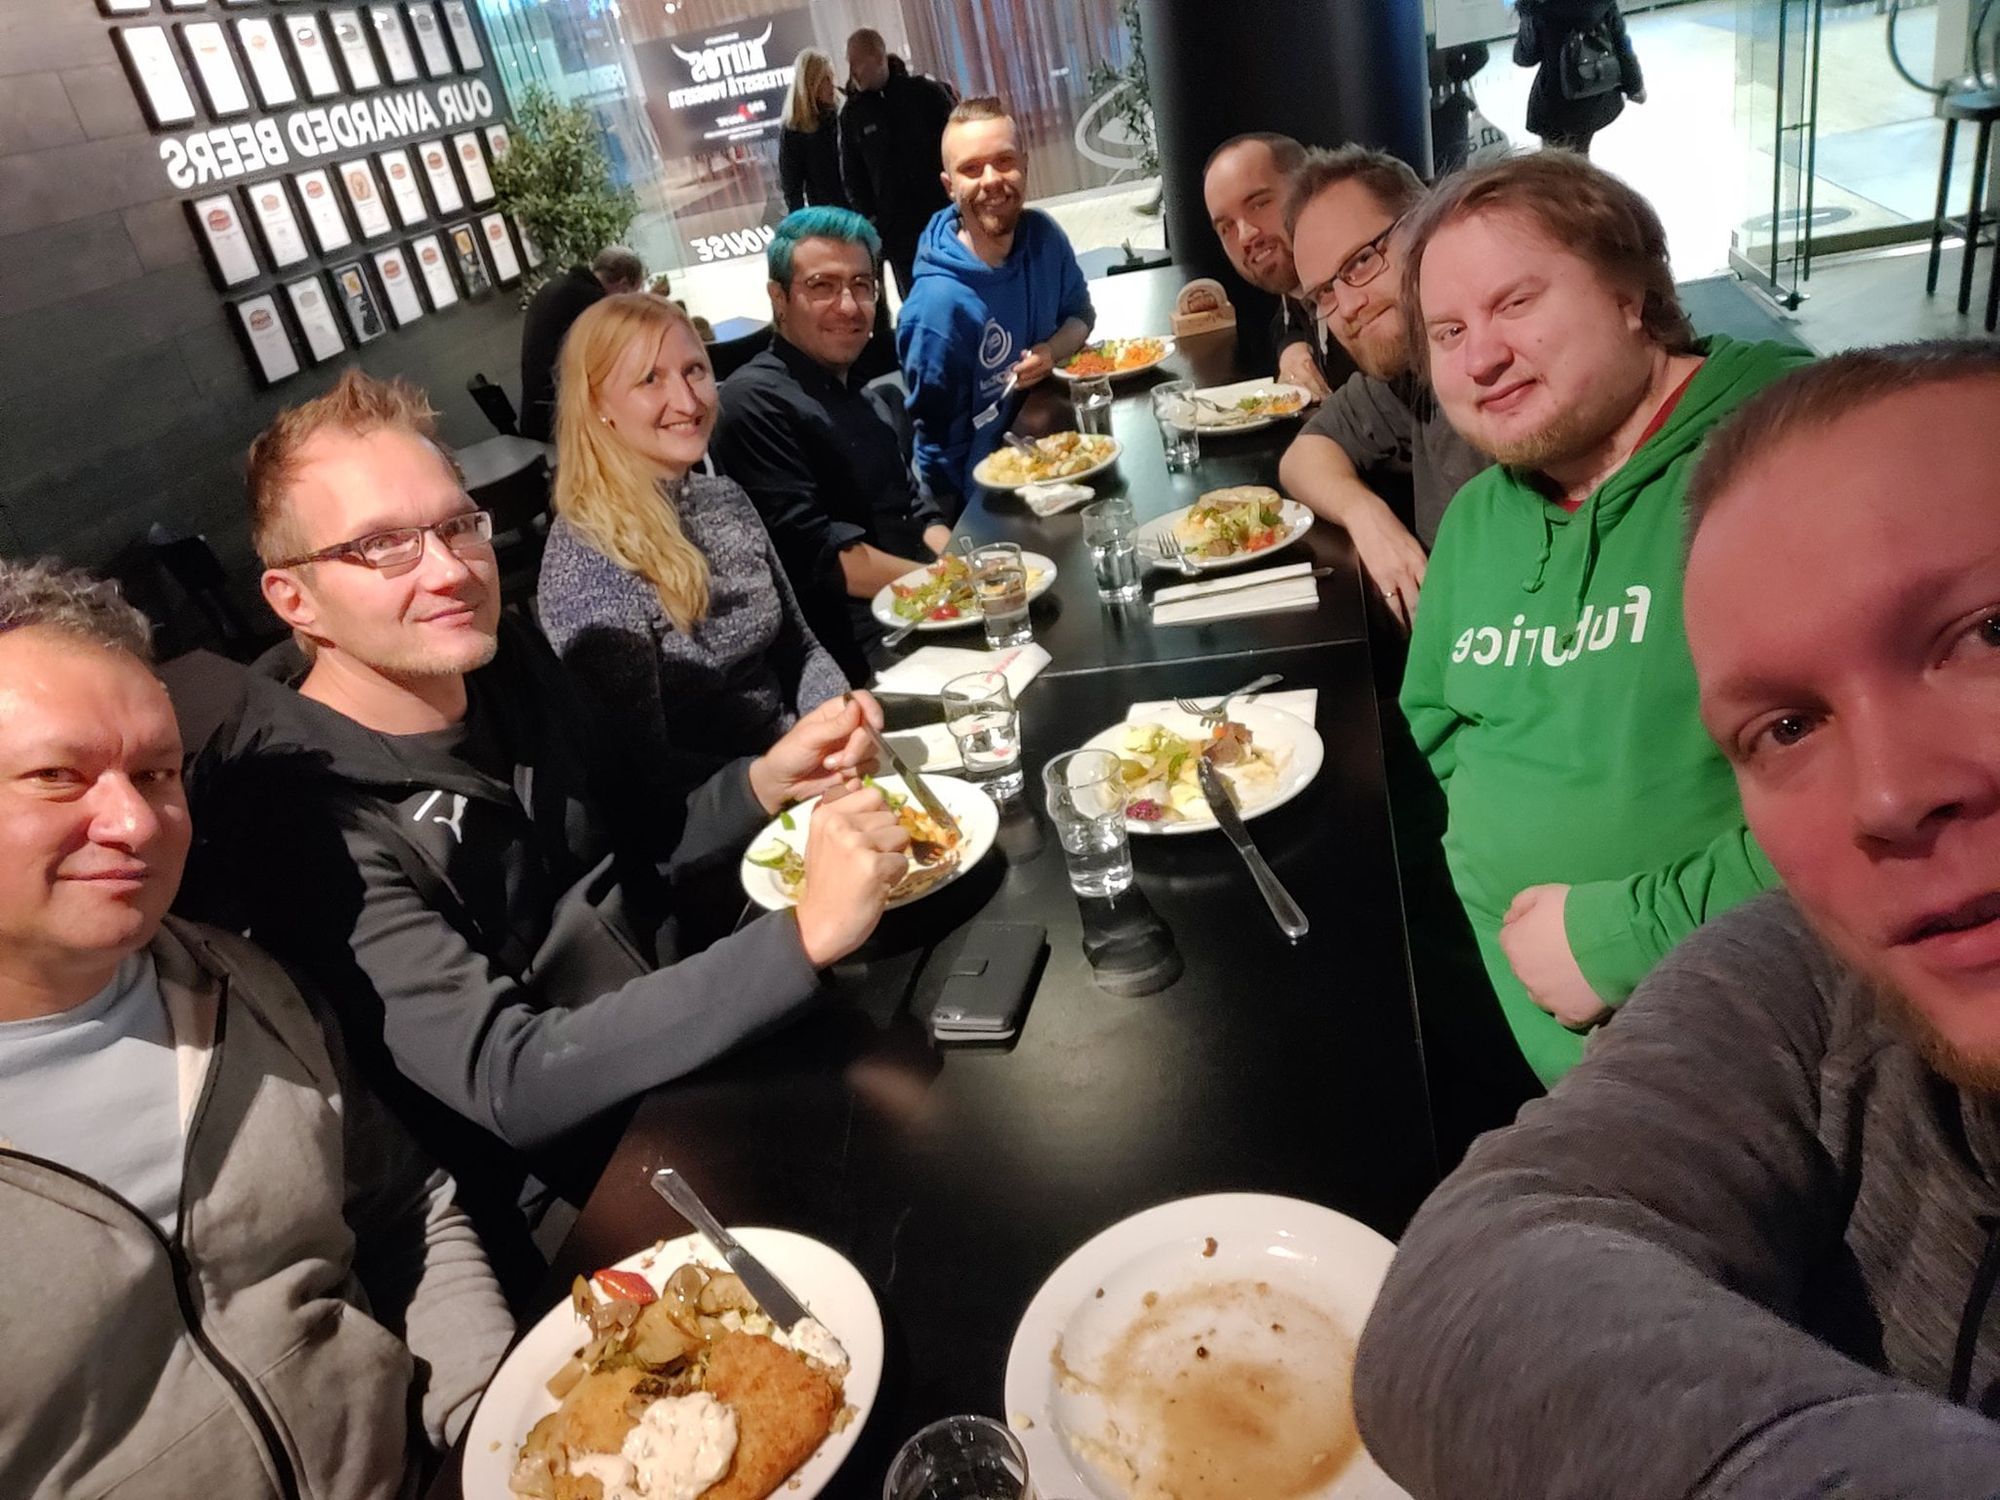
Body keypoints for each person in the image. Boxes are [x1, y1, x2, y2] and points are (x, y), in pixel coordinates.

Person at [1354, 342, 2000, 1498]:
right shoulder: (1813, 979)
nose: (1891, 795)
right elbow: (1462, 1289)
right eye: (1786, 728)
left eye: (1987, 635)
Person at [178, 368, 912, 1300]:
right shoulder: (301, 820)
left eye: (455, 525)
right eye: (383, 547)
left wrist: (763, 783)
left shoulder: (506, 658)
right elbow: (510, 1076)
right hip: (594, 1190)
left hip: (708, 1048)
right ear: (294, 600)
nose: (448, 570)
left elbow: (639, 844)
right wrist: (800, 939)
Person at [0, 559, 512, 1496]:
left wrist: (497, 1421)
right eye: (56, 777)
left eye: (157, 772)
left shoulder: (247, 988)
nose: (133, 821)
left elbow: (405, 1210)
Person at [1395, 150, 1810, 1086]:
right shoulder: (1479, 518)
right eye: (1448, 329)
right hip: (1586, 1080)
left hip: (1783, 1059)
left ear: (1631, 293)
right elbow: (1445, 730)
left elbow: (1919, 795)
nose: (1481, 357)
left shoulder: (1793, 455)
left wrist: (1625, 933)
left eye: (1515, 304)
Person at [537, 293, 849, 778]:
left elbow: (801, 650)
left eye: (694, 371)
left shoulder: (722, 497)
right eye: (649, 380)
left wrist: (839, 720)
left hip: (803, 766)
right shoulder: (590, 559)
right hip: (721, 816)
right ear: (598, 405)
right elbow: (640, 774)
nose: (686, 401)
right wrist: (778, 778)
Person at [716, 208, 953, 681]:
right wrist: (951, 585)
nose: (848, 306)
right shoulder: (752, 402)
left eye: (861, 285)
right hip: (858, 654)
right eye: (822, 286)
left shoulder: (863, 395)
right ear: (778, 298)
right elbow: (824, 562)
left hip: (922, 604)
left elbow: (914, 510)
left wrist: (964, 560)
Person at [1276, 145, 1489, 632]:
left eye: (1361, 262)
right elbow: (1304, 455)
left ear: (1428, 223)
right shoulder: (1408, 375)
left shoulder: (1507, 376)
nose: (1346, 306)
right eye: (1325, 293)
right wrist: (1365, 513)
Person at [897, 98, 1095, 514]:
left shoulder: (1044, 236)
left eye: (1004, 161)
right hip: (989, 502)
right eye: (971, 169)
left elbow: (1082, 316)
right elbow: (937, 454)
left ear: (1025, 163)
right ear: (949, 185)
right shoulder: (937, 307)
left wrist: (1050, 352)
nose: (991, 180)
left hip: (1054, 453)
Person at [1200, 132, 1356, 401]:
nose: (1246, 235)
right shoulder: (1300, 289)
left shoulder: (1364, 297)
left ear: (1309, 187)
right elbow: (1287, 316)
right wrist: (1291, 349)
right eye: (1226, 227)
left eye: (1259, 204)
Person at [838, 28, 955, 301]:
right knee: (917, 304)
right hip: (898, 237)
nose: (852, 71)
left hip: (943, 222)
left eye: (857, 62)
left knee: (954, 293)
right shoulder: (852, 115)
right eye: (849, 63)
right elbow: (853, 178)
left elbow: (954, 149)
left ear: (878, 57)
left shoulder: (925, 94)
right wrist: (875, 221)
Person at [517, 245, 645, 441]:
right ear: (624, 284)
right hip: (563, 422)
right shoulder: (594, 304)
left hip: (538, 415)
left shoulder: (555, 287)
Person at [1514, 0, 1645, 156]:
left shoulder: (1538, 6)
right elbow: (1622, 44)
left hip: (1555, 103)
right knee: (1580, 153)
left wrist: (1526, 17)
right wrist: (1634, 86)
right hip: (1594, 93)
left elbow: (1525, 57)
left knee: (1554, 164)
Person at [780, 48, 848, 212]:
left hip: (857, 210)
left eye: (831, 77)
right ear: (811, 84)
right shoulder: (794, 130)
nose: (832, 84)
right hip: (827, 217)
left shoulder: (843, 114)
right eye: (825, 79)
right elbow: (792, 188)